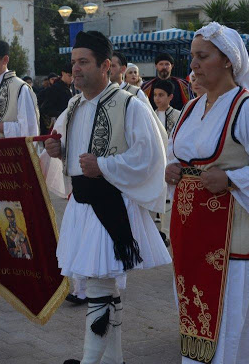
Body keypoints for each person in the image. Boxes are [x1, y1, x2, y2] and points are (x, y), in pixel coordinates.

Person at [166, 22, 249, 364]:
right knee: (199, 316)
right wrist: (172, 170)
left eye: (202, 56)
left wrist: (232, 179)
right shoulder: (192, 109)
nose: (193, 64)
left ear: (228, 60)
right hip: (193, 237)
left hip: (235, 243)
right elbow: (178, 154)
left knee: (235, 326)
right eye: (192, 56)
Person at [43, 31, 171, 364]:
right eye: (74, 63)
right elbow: (71, 156)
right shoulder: (72, 106)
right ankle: (113, 360)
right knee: (104, 289)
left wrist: (104, 165)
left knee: (99, 288)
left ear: (106, 66)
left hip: (112, 205)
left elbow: (150, 156)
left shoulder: (129, 103)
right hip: (82, 205)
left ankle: (90, 360)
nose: (77, 69)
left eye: (84, 62)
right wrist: (57, 150)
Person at [39, 62, 73, 134]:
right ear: (63, 73)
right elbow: (45, 108)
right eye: (69, 76)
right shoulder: (55, 88)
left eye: (74, 76)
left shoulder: (74, 86)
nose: (72, 78)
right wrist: (63, 114)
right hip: (59, 125)